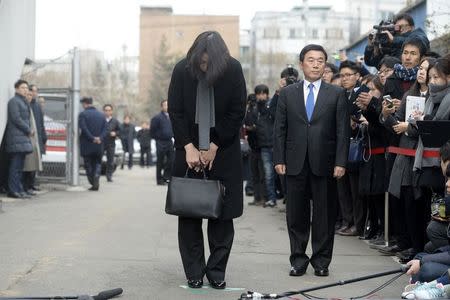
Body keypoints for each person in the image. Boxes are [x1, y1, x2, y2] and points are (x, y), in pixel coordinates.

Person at [168, 31, 246, 289]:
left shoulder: (233, 69)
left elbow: (237, 111)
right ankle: (194, 272)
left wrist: (214, 145)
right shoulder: (182, 69)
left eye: (208, 63)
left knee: (223, 218)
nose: (204, 67)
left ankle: (216, 271)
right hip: (187, 151)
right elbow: (176, 111)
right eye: (200, 62)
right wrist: (189, 147)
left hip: (223, 152)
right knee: (190, 214)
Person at [273, 44, 349, 277]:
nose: (316, 64)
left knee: (324, 215)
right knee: (296, 214)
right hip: (294, 161)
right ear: (301, 64)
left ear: (325, 65)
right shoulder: (287, 93)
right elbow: (280, 129)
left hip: (325, 162)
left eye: (320, 60)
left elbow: (342, 131)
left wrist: (340, 162)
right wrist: (279, 158)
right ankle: (298, 260)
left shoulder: (336, 94)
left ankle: (321, 261)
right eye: (311, 60)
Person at [364, 13, 429, 68]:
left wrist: (393, 40)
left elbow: (417, 41)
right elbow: (371, 63)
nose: (400, 29)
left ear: (412, 27)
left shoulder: (418, 34)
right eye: (397, 27)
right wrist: (372, 47)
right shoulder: (393, 42)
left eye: (402, 26)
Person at [5, 80, 33, 199]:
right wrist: (28, 129)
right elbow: (16, 119)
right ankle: (13, 190)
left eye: (26, 88)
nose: (25, 90)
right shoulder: (14, 102)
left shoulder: (23, 101)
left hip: (22, 138)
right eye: (22, 88)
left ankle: (19, 189)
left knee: (20, 167)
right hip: (16, 138)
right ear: (16, 89)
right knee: (15, 166)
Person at [78, 97, 107, 191]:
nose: (82, 106)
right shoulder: (102, 115)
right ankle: (96, 177)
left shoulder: (83, 114)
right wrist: (100, 138)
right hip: (99, 145)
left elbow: (84, 128)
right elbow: (105, 129)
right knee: (98, 163)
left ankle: (93, 181)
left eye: (82, 104)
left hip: (87, 144)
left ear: (85, 104)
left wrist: (92, 138)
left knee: (88, 164)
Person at [22, 84, 46, 192]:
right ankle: (26, 186)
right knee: (28, 164)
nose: (34, 94)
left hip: (38, 139)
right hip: (30, 138)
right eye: (32, 92)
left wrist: (44, 137)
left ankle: (31, 184)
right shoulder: (26, 105)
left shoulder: (37, 106)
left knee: (36, 163)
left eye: (36, 91)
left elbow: (41, 123)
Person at [150, 100, 174, 185]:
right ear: (162, 106)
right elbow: (152, 130)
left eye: (168, 105)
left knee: (171, 160)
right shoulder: (157, 118)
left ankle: (166, 177)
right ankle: (159, 180)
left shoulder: (172, 116)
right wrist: (157, 138)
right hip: (160, 142)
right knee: (160, 161)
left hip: (169, 142)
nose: (167, 107)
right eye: (165, 105)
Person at [103, 104, 120, 182]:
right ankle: (96, 175)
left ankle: (109, 176)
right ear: (104, 111)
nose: (107, 112)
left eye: (109, 110)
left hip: (111, 143)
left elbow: (120, 131)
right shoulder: (101, 119)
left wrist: (115, 133)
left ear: (112, 111)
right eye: (106, 110)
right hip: (101, 142)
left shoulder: (115, 121)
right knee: (97, 159)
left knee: (110, 161)